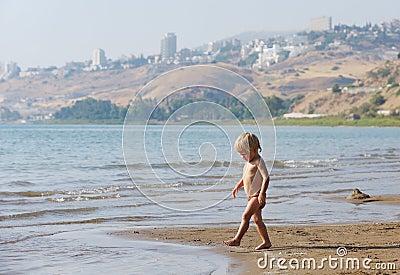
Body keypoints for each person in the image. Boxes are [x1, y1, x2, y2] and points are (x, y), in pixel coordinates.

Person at [224, 132, 272, 250]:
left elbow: (266, 177)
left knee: (246, 216)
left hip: (257, 196)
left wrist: (262, 194)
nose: (242, 157)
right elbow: (245, 177)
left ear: (254, 150)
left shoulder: (258, 162)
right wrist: (237, 186)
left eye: (244, 153)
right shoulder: (248, 163)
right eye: (240, 154)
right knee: (257, 220)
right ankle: (266, 242)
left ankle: (237, 239)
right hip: (251, 196)